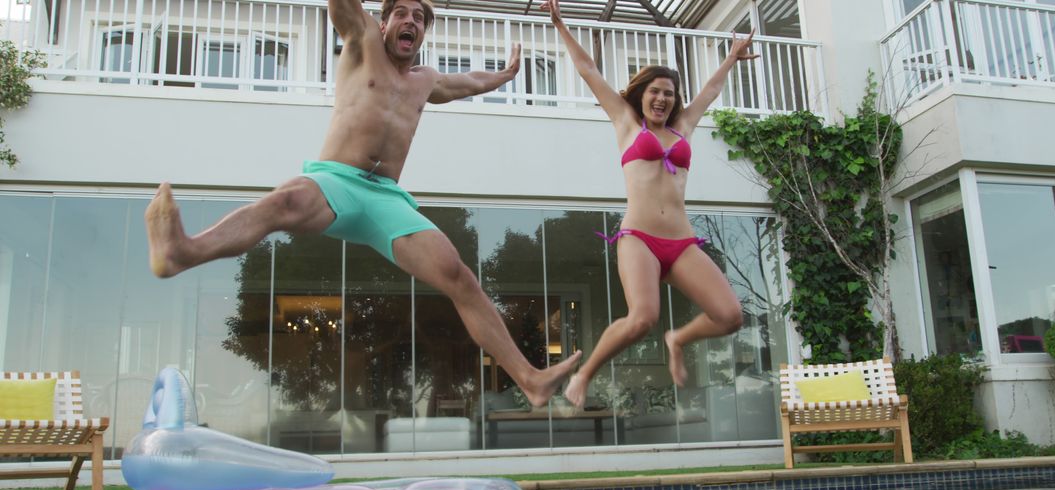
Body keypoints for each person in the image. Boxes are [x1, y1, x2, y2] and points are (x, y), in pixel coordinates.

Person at [145, 0, 581, 408]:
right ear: (384, 21)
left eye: (420, 18)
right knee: (286, 200)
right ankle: (182, 251)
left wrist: (504, 75)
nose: (411, 22)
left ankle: (529, 378)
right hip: (335, 180)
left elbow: (465, 83)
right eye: (402, 13)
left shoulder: (425, 80)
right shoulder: (363, 41)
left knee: (457, 275)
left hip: (385, 199)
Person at [542, 0, 752, 408]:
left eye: (669, 94)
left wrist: (730, 58)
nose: (662, 99)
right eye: (655, 91)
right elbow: (589, 71)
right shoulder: (625, 122)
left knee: (730, 316)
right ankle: (584, 375)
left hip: (682, 243)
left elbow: (709, 91)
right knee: (642, 318)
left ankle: (679, 338)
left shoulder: (683, 127)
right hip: (638, 238)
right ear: (642, 95)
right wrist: (561, 25)